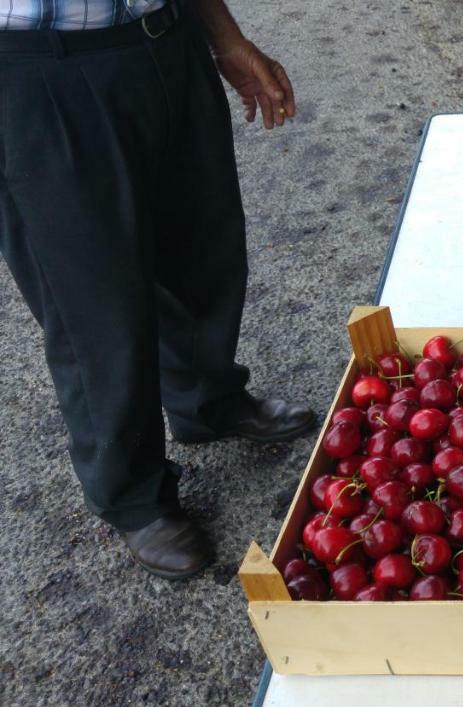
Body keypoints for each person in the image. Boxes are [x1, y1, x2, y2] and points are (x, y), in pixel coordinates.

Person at [0, 0, 315, 580]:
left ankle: (205, 399)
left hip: (166, 42)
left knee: (202, 246)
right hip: (35, 72)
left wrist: (224, 36)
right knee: (91, 302)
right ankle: (133, 495)